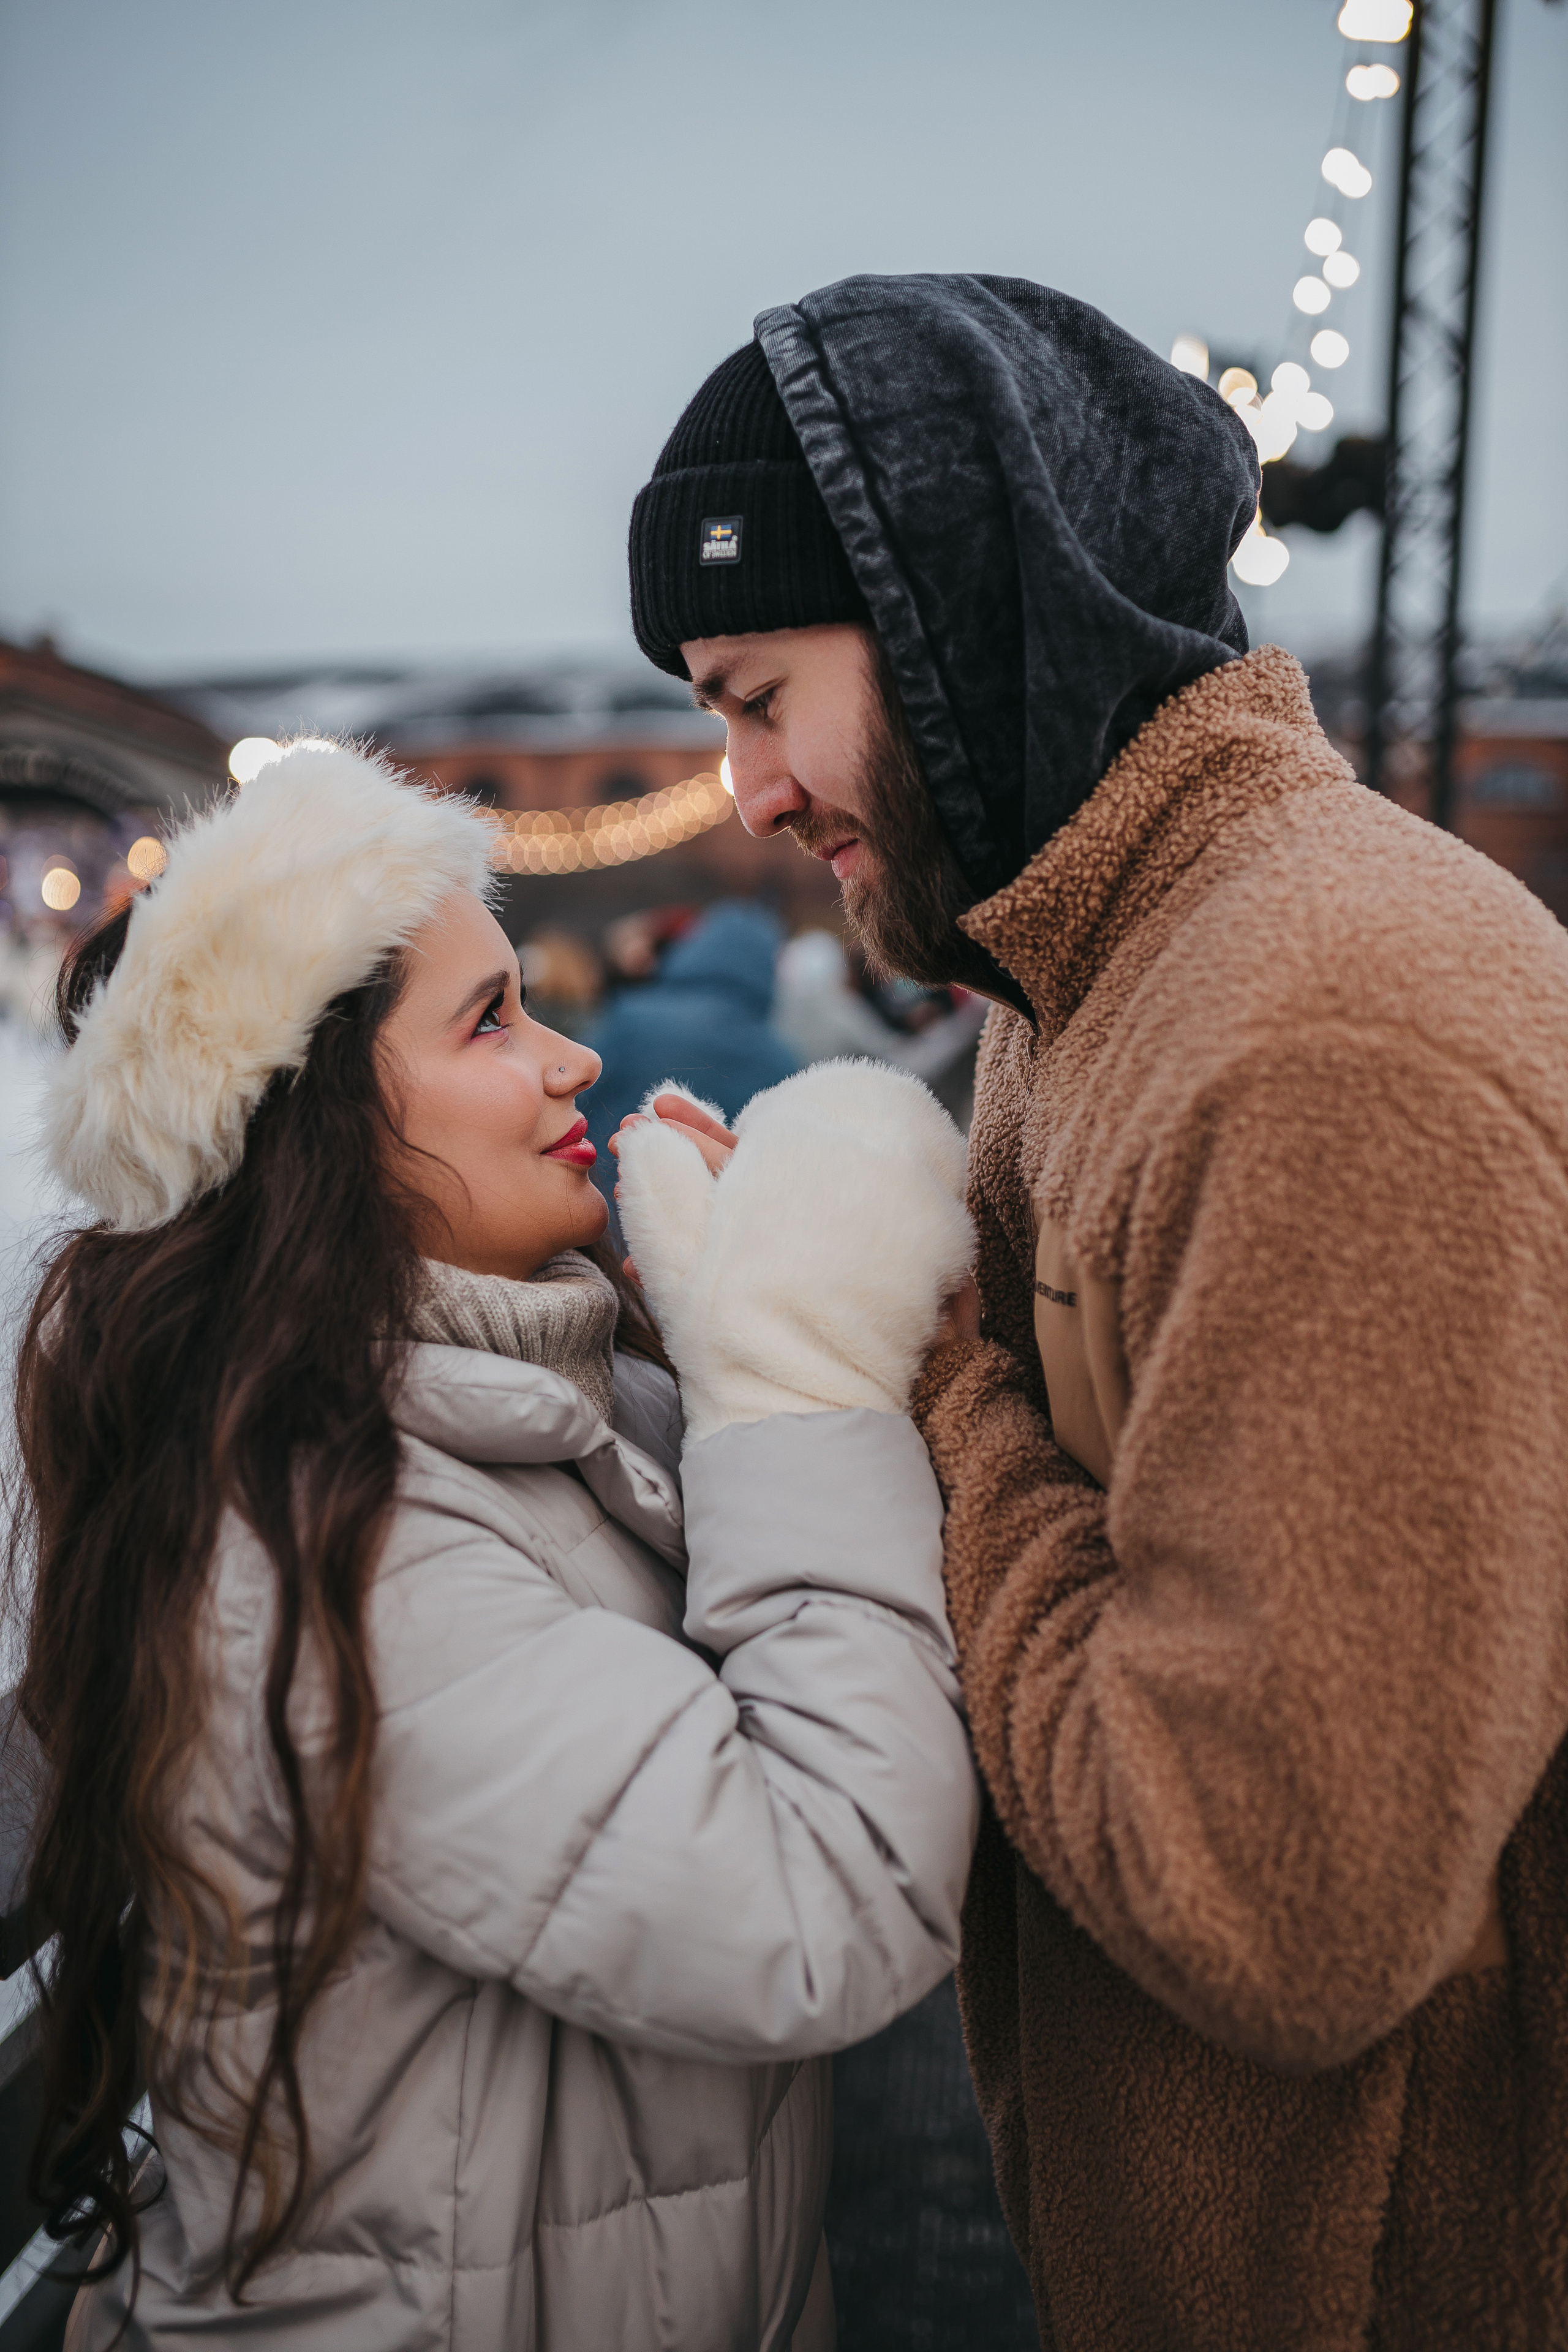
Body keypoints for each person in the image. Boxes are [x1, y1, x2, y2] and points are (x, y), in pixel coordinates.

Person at [625, 275, 1568, 2348]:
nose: (745, 788)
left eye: (758, 691)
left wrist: (923, 1375)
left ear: (962, 621)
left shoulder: (1321, 1040)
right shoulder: (1106, 974)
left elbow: (1274, 1895)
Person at [11, 738, 981, 2350]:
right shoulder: (333, 1546)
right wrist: (787, 1378)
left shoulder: (513, 1417)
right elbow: (822, 1900)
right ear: (317, 1128)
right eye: (488, 1020)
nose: (572, 1061)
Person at [584, 895, 799, 1200]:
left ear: (697, 947)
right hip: (705, 1231)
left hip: (609, 1202)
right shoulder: (783, 1061)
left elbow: (576, 1099)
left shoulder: (632, 1019)